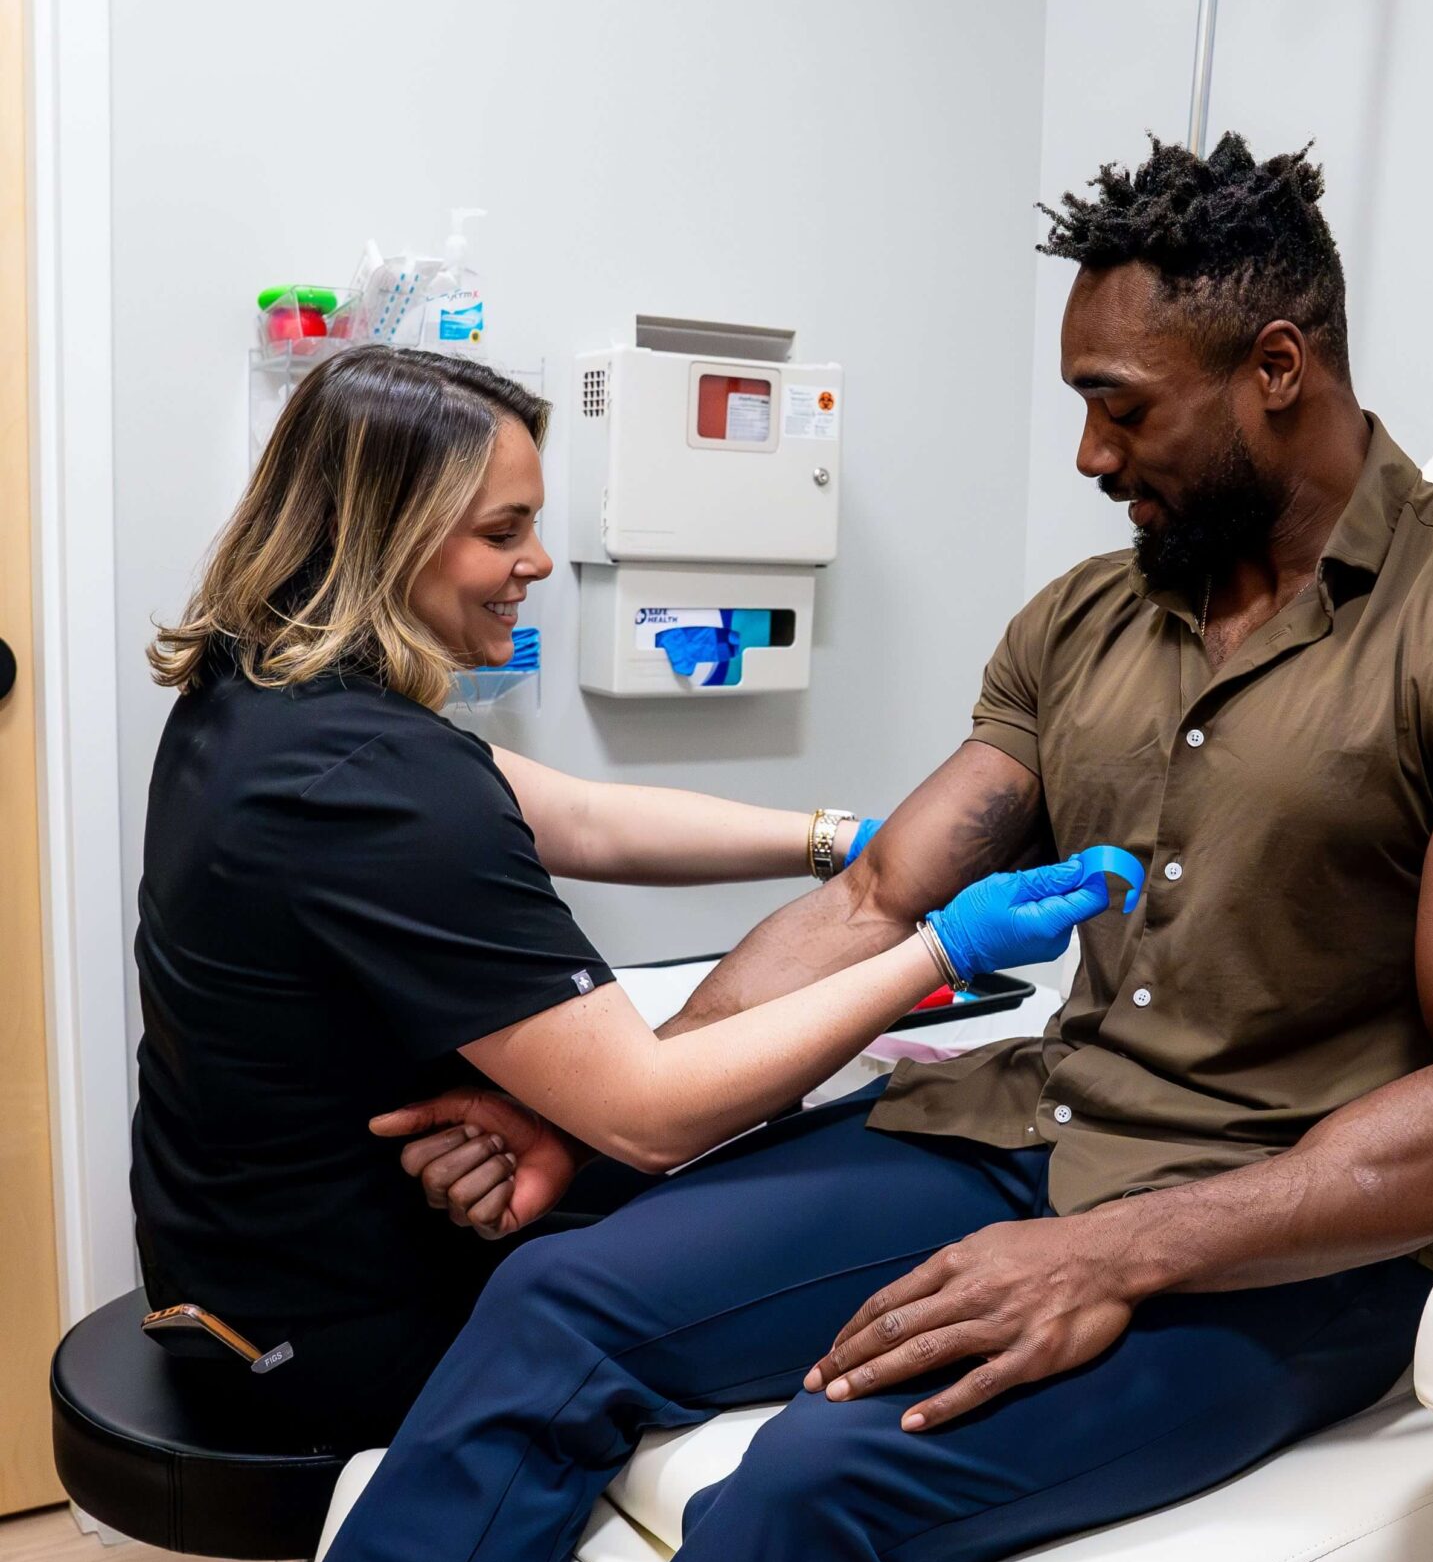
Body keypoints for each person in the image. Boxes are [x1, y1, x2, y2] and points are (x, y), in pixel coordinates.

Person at [2, 135, 1433, 1562]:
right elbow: (876, 899)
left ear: (1278, 372)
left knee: (815, 1484)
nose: (1088, 452)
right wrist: (613, 1139)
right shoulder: (1090, 623)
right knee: (556, 1303)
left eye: (1121, 406)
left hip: (1271, 1238)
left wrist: (1113, 1248)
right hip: (1015, 1130)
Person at [125, 343, 1112, 1450]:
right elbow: (649, 1116)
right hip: (335, 1320)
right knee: (799, 1196)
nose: (539, 561)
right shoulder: (376, 787)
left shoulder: (259, 695)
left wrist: (838, 841)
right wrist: (941, 949)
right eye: (503, 531)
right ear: (385, 535)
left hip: (221, 1262)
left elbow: (585, 820)